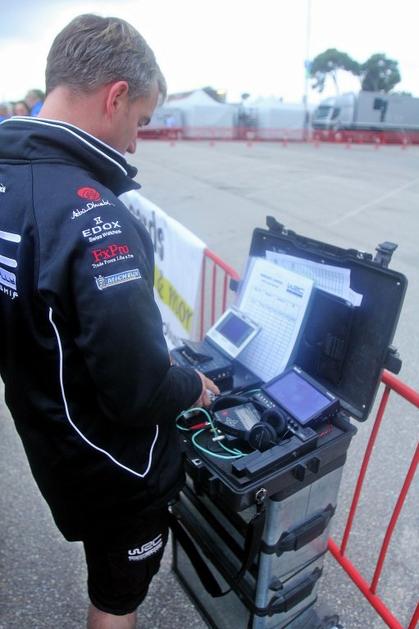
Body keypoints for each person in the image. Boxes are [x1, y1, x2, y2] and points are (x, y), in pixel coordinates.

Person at [0, 14, 219, 629]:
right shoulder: (92, 213)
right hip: (115, 466)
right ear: (116, 96)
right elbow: (139, 390)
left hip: (50, 434)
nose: (134, 143)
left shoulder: (8, 177)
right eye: (141, 121)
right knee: (117, 599)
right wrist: (193, 385)